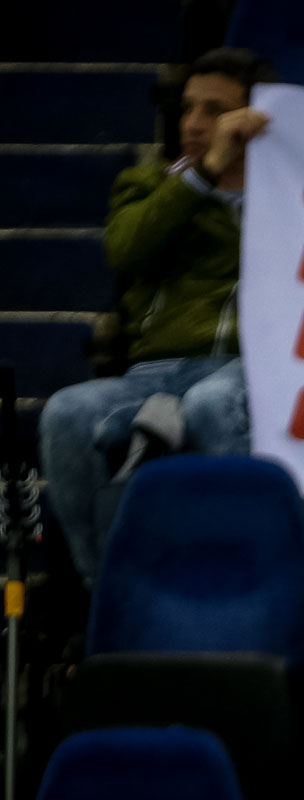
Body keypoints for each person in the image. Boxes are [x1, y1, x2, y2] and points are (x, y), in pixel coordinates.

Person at [38, 47, 273, 583]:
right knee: (65, 413)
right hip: (154, 373)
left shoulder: (295, 199)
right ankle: (107, 591)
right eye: (187, 108)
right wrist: (204, 173)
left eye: (214, 111)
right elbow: (126, 249)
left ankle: (236, 586)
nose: (193, 123)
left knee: (211, 405)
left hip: (246, 370)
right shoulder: (149, 184)